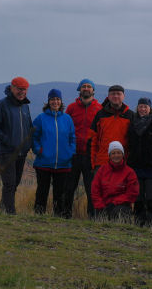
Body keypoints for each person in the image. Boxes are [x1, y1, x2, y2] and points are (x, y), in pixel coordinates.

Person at [0, 76, 33, 215]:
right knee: (9, 183)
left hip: (21, 152)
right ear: (12, 88)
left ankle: (4, 209)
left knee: (15, 183)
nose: (22, 92)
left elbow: (29, 127)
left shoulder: (25, 106)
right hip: (6, 151)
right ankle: (10, 212)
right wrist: (8, 141)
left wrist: (28, 144)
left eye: (24, 90)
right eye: (19, 89)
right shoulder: (2, 104)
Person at [32, 89, 76, 217]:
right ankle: (38, 216)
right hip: (43, 162)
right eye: (52, 99)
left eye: (57, 99)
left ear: (61, 101)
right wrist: (38, 150)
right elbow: (33, 136)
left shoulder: (67, 119)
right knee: (42, 191)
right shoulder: (41, 118)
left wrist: (70, 153)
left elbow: (72, 138)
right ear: (48, 101)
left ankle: (59, 218)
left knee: (60, 193)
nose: (55, 102)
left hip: (63, 163)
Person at [64, 79, 102, 218]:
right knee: (68, 187)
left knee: (91, 189)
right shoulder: (71, 108)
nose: (86, 88)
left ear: (93, 90)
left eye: (89, 86)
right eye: (84, 86)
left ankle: (92, 217)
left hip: (91, 156)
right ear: (79, 89)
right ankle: (65, 215)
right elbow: (65, 129)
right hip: (73, 154)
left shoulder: (99, 108)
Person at [127, 97, 152, 227]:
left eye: (145, 107)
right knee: (138, 200)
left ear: (150, 109)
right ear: (137, 108)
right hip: (136, 168)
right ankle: (139, 225)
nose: (142, 109)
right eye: (140, 106)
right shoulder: (132, 125)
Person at [91, 141, 139, 222]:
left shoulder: (130, 172)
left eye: (118, 153)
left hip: (121, 206)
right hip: (103, 206)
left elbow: (132, 193)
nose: (116, 155)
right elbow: (95, 191)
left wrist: (115, 203)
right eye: (113, 153)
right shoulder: (102, 170)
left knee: (119, 212)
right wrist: (100, 206)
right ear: (109, 155)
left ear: (123, 154)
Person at [90, 85, 134, 170]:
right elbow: (93, 140)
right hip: (102, 162)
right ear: (108, 96)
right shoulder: (100, 115)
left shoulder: (130, 115)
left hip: (123, 163)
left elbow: (133, 142)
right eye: (113, 94)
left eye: (118, 94)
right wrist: (93, 162)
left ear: (123, 96)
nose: (116, 96)